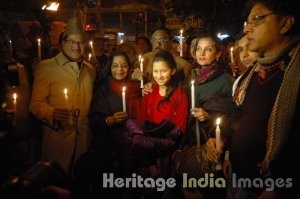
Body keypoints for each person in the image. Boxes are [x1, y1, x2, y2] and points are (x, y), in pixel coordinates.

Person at [224, 0, 300, 198]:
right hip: (236, 175)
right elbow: (238, 114)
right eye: (246, 22)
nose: (247, 28)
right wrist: (226, 147)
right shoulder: (255, 72)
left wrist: (279, 188)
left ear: (285, 23)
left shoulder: (294, 72)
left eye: (257, 19)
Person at [29, 17, 96, 177]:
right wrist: (51, 112)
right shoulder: (47, 67)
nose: (76, 47)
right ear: (63, 43)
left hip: (84, 141)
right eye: (72, 42)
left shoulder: (90, 70)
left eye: (80, 42)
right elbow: (35, 104)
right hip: (59, 140)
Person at [77, 51, 141, 199]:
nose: (120, 69)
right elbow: (94, 119)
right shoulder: (103, 90)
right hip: (110, 150)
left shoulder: (138, 88)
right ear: (109, 68)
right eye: (115, 66)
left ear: (129, 68)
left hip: (133, 148)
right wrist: (109, 120)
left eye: (124, 65)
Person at [184, 33, 234, 199]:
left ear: (218, 53)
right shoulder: (191, 78)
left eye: (208, 49)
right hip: (191, 144)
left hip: (214, 145)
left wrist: (209, 116)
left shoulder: (228, 81)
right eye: (199, 49)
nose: (202, 53)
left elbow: (232, 117)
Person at [0, 25, 38, 181]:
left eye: (5, 44)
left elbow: (31, 99)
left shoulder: (21, 68)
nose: (3, 49)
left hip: (26, 139)